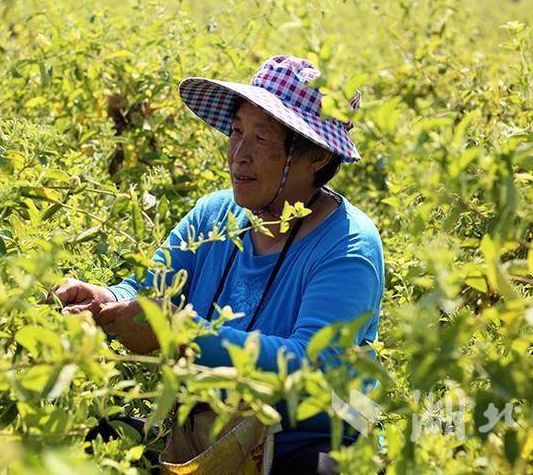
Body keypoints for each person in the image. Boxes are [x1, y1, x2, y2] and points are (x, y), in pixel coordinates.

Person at [55, 55, 384, 474]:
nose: (239, 155)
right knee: (90, 438)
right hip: (205, 432)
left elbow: (308, 365)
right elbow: (150, 287)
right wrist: (105, 300)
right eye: (236, 132)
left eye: (262, 139)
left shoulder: (347, 245)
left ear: (316, 156)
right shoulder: (214, 216)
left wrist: (185, 334)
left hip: (302, 441)